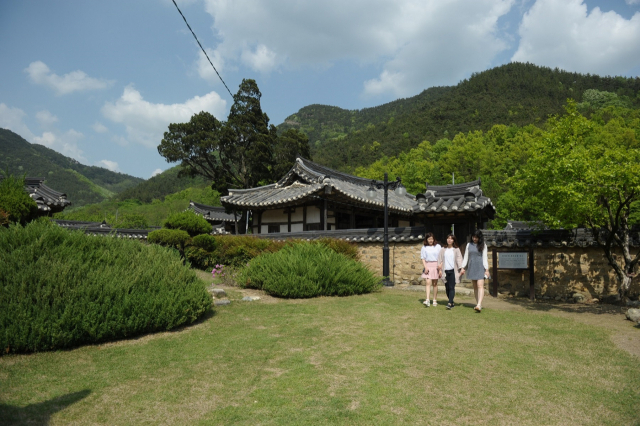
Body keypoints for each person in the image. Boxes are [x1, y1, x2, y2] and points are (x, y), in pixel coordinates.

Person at [460, 229, 490, 312]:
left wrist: (486, 269)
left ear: (480, 238)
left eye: (476, 237)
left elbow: (485, 258)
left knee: (480, 285)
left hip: (481, 267)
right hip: (472, 266)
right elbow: (466, 257)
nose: (475, 239)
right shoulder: (469, 245)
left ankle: (479, 304)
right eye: (473, 237)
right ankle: (478, 303)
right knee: (475, 287)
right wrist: (463, 267)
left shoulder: (483, 245)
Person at [437, 233, 463, 310]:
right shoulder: (442, 249)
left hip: (453, 271)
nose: (449, 240)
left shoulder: (456, 249)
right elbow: (439, 260)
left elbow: (459, 259)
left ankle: (449, 302)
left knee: (452, 287)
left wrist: (461, 268)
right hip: (445, 271)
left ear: (453, 240)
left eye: (451, 238)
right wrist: (439, 270)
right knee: (447, 287)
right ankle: (451, 302)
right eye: (448, 238)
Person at [421, 233, 441, 307]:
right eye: (429, 239)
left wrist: (440, 266)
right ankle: (427, 299)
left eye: (431, 239)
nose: (430, 240)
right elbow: (423, 258)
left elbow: (441, 257)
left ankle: (435, 299)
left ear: (434, 239)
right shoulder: (424, 247)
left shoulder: (438, 246)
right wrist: (425, 267)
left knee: (435, 284)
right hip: (428, 265)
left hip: (436, 265)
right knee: (428, 282)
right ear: (426, 240)